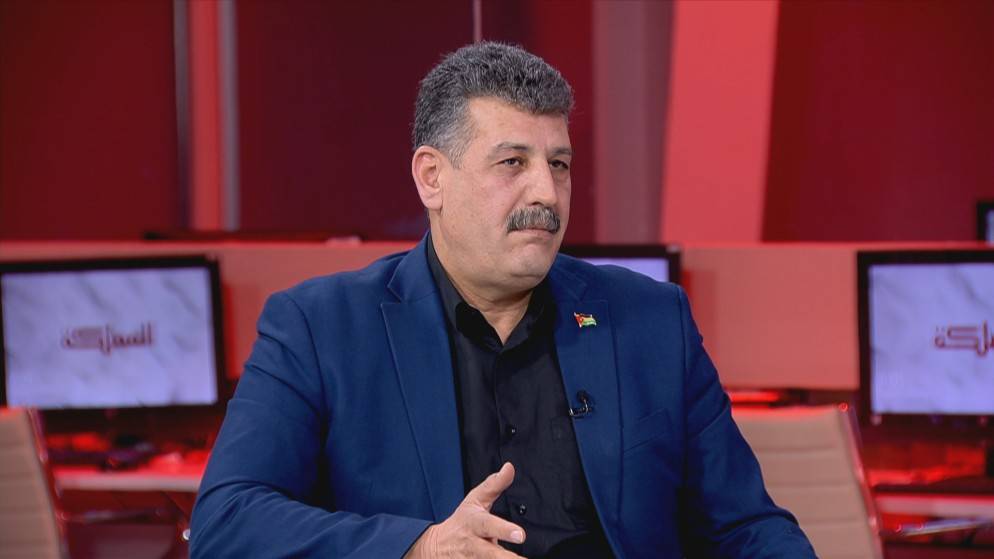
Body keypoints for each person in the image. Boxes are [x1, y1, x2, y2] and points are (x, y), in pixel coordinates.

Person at [190, 42, 816, 558]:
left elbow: (746, 528)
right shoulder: (320, 328)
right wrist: (420, 548)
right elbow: (227, 523)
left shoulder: (651, 320)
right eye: (513, 162)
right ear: (432, 178)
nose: (546, 192)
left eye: (559, 164)